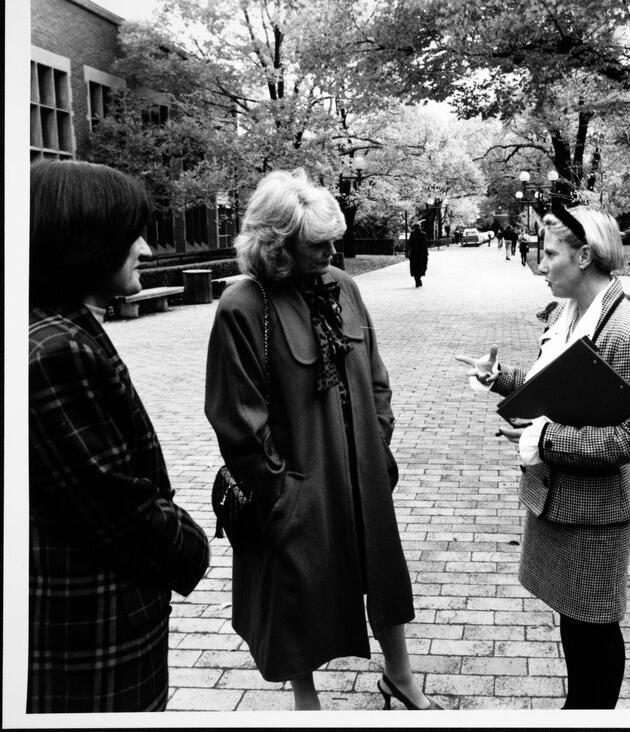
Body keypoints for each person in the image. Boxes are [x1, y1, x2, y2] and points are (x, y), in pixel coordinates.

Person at [204, 169, 438, 711]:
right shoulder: (243, 305)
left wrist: (378, 444)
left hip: (364, 474)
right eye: (320, 243)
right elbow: (238, 418)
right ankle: (306, 705)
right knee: (295, 593)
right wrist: (284, 494)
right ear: (278, 246)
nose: (334, 251)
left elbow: (376, 376)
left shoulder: (343, 286)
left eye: (335, 239)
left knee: (383, 575)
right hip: (300, 487)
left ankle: (400, 677)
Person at [457, 205, 630, 709]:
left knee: (594, 626)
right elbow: (551, 389)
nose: (540, 265)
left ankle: (589, 714)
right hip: (556, 499)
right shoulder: (565, 314)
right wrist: (500, 378)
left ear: (585, 256)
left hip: (595, 512)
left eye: (550, 254)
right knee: (574, 622)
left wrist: (547, 439)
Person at [28, 160, 210, 713]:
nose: (147, 250)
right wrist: (191, 546)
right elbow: (115, 504)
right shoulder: (56, 350)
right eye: (132, 235)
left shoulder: (56, 329)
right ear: (85, 239)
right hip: (94, 631)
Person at [407, 221, 429, 287]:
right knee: (422, 266)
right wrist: (426, 253)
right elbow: (425, 244)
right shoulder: (423, 234)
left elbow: (409, 243)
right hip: (422, 254)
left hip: (414, 254)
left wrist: (408, 252)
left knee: (414, 267)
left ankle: (417, 280)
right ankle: (419, 279)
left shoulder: (412, 234)